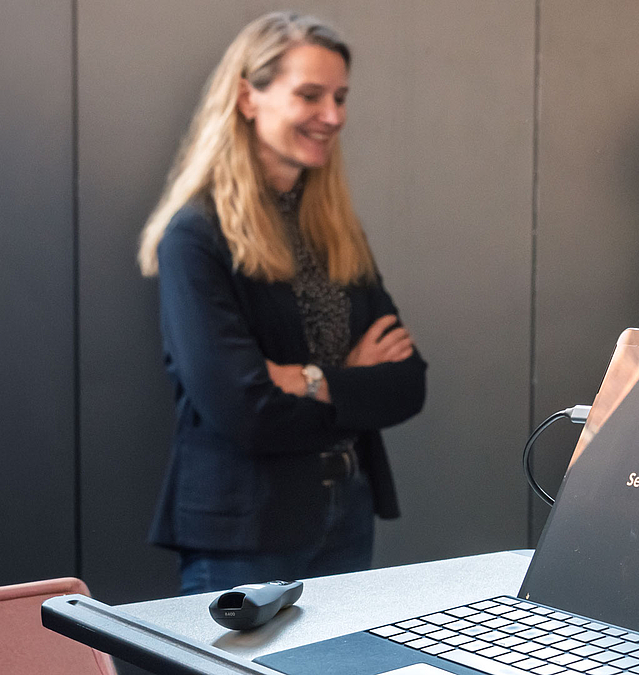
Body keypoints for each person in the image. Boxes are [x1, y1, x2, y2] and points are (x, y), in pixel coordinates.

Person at [137, 11, 426, 594]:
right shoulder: (195, 236)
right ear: (248, 97)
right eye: (311, 95)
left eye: (341, 97)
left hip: (348, 508)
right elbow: (246, 412)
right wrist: (350, 379)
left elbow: (407, 383)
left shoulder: (336, 232)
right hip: (246, 531)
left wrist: (309, 379)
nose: (333, 116)